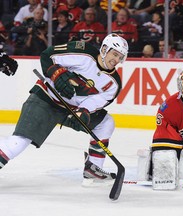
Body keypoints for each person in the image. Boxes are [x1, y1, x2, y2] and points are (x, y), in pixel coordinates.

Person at [0, 33, 129, 186]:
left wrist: (83, 112)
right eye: (114, 54)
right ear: (105, 48)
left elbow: (94, 102)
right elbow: (48, 55)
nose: (116, 60)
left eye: (120, 57)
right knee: (19, 142)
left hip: (70, 110)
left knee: (106, 123)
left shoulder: (114, 84)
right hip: (46, 99)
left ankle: (93, 169)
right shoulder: (83, 53)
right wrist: (56, 74)